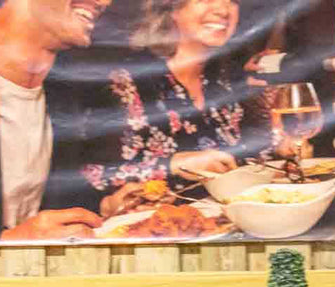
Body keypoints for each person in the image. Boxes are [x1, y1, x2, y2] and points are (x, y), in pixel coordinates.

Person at [77, 0, 274, 213]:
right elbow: (92, 176)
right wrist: (173, 163)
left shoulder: (226, 80)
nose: (223, 9)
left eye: (232, 1)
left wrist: (281, 140)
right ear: (171, 9)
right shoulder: (123, 82)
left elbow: (254, 156)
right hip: (157, 231)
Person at [0, 0, 109, 241]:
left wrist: (108, 207)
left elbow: (52, 207)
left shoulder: (67, 91)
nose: (105, 2)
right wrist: (7, 242)